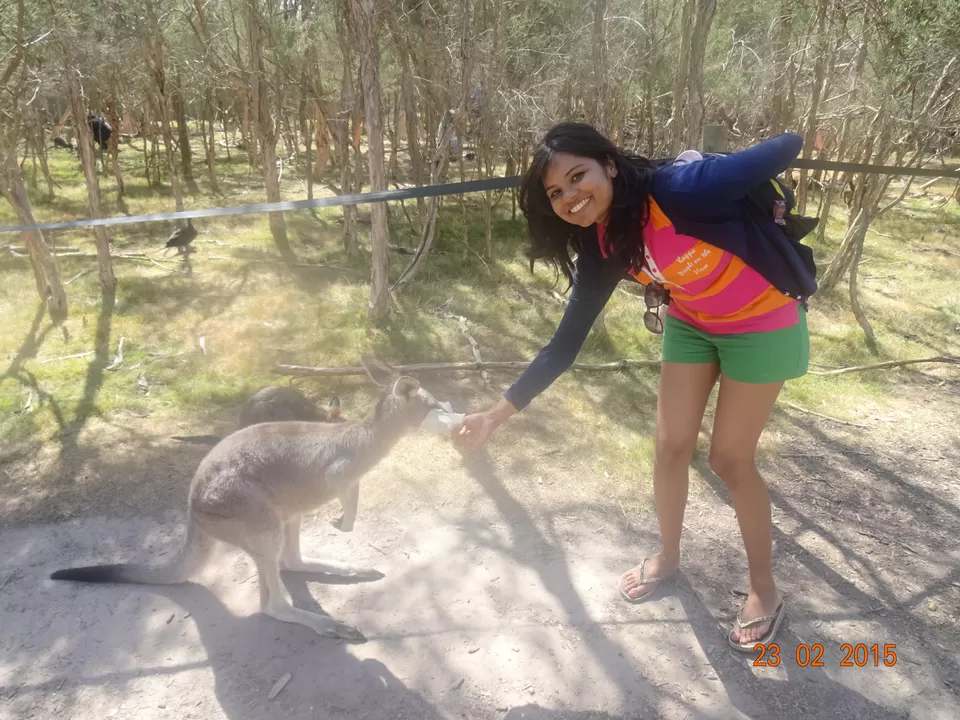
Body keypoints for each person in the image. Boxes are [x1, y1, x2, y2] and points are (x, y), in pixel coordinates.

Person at [452, 122, 817, 651]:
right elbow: (563, 345)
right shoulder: (604, 245)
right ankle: (668, 556)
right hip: (693, 323)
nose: (571, 197)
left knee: (730, 461)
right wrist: (493, 416)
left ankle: (765, 590)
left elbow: (787, 146)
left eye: (579, 177)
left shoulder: (679, 191)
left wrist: (714, 165)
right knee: (670, 448)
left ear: (610, 165)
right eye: (557, 192)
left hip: (763, 321)